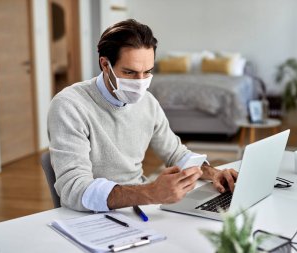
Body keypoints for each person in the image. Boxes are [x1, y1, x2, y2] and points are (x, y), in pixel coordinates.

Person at [48, 19, 238, 212]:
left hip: (138, 207)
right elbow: (73, 189)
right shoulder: (70, 105)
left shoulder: (147, 102)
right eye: (130, 72)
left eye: (147, 72)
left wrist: (213, 173)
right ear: (105, 65)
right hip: (92, 215)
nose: (140, 83)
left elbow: (175, 153)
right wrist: (150, 192)